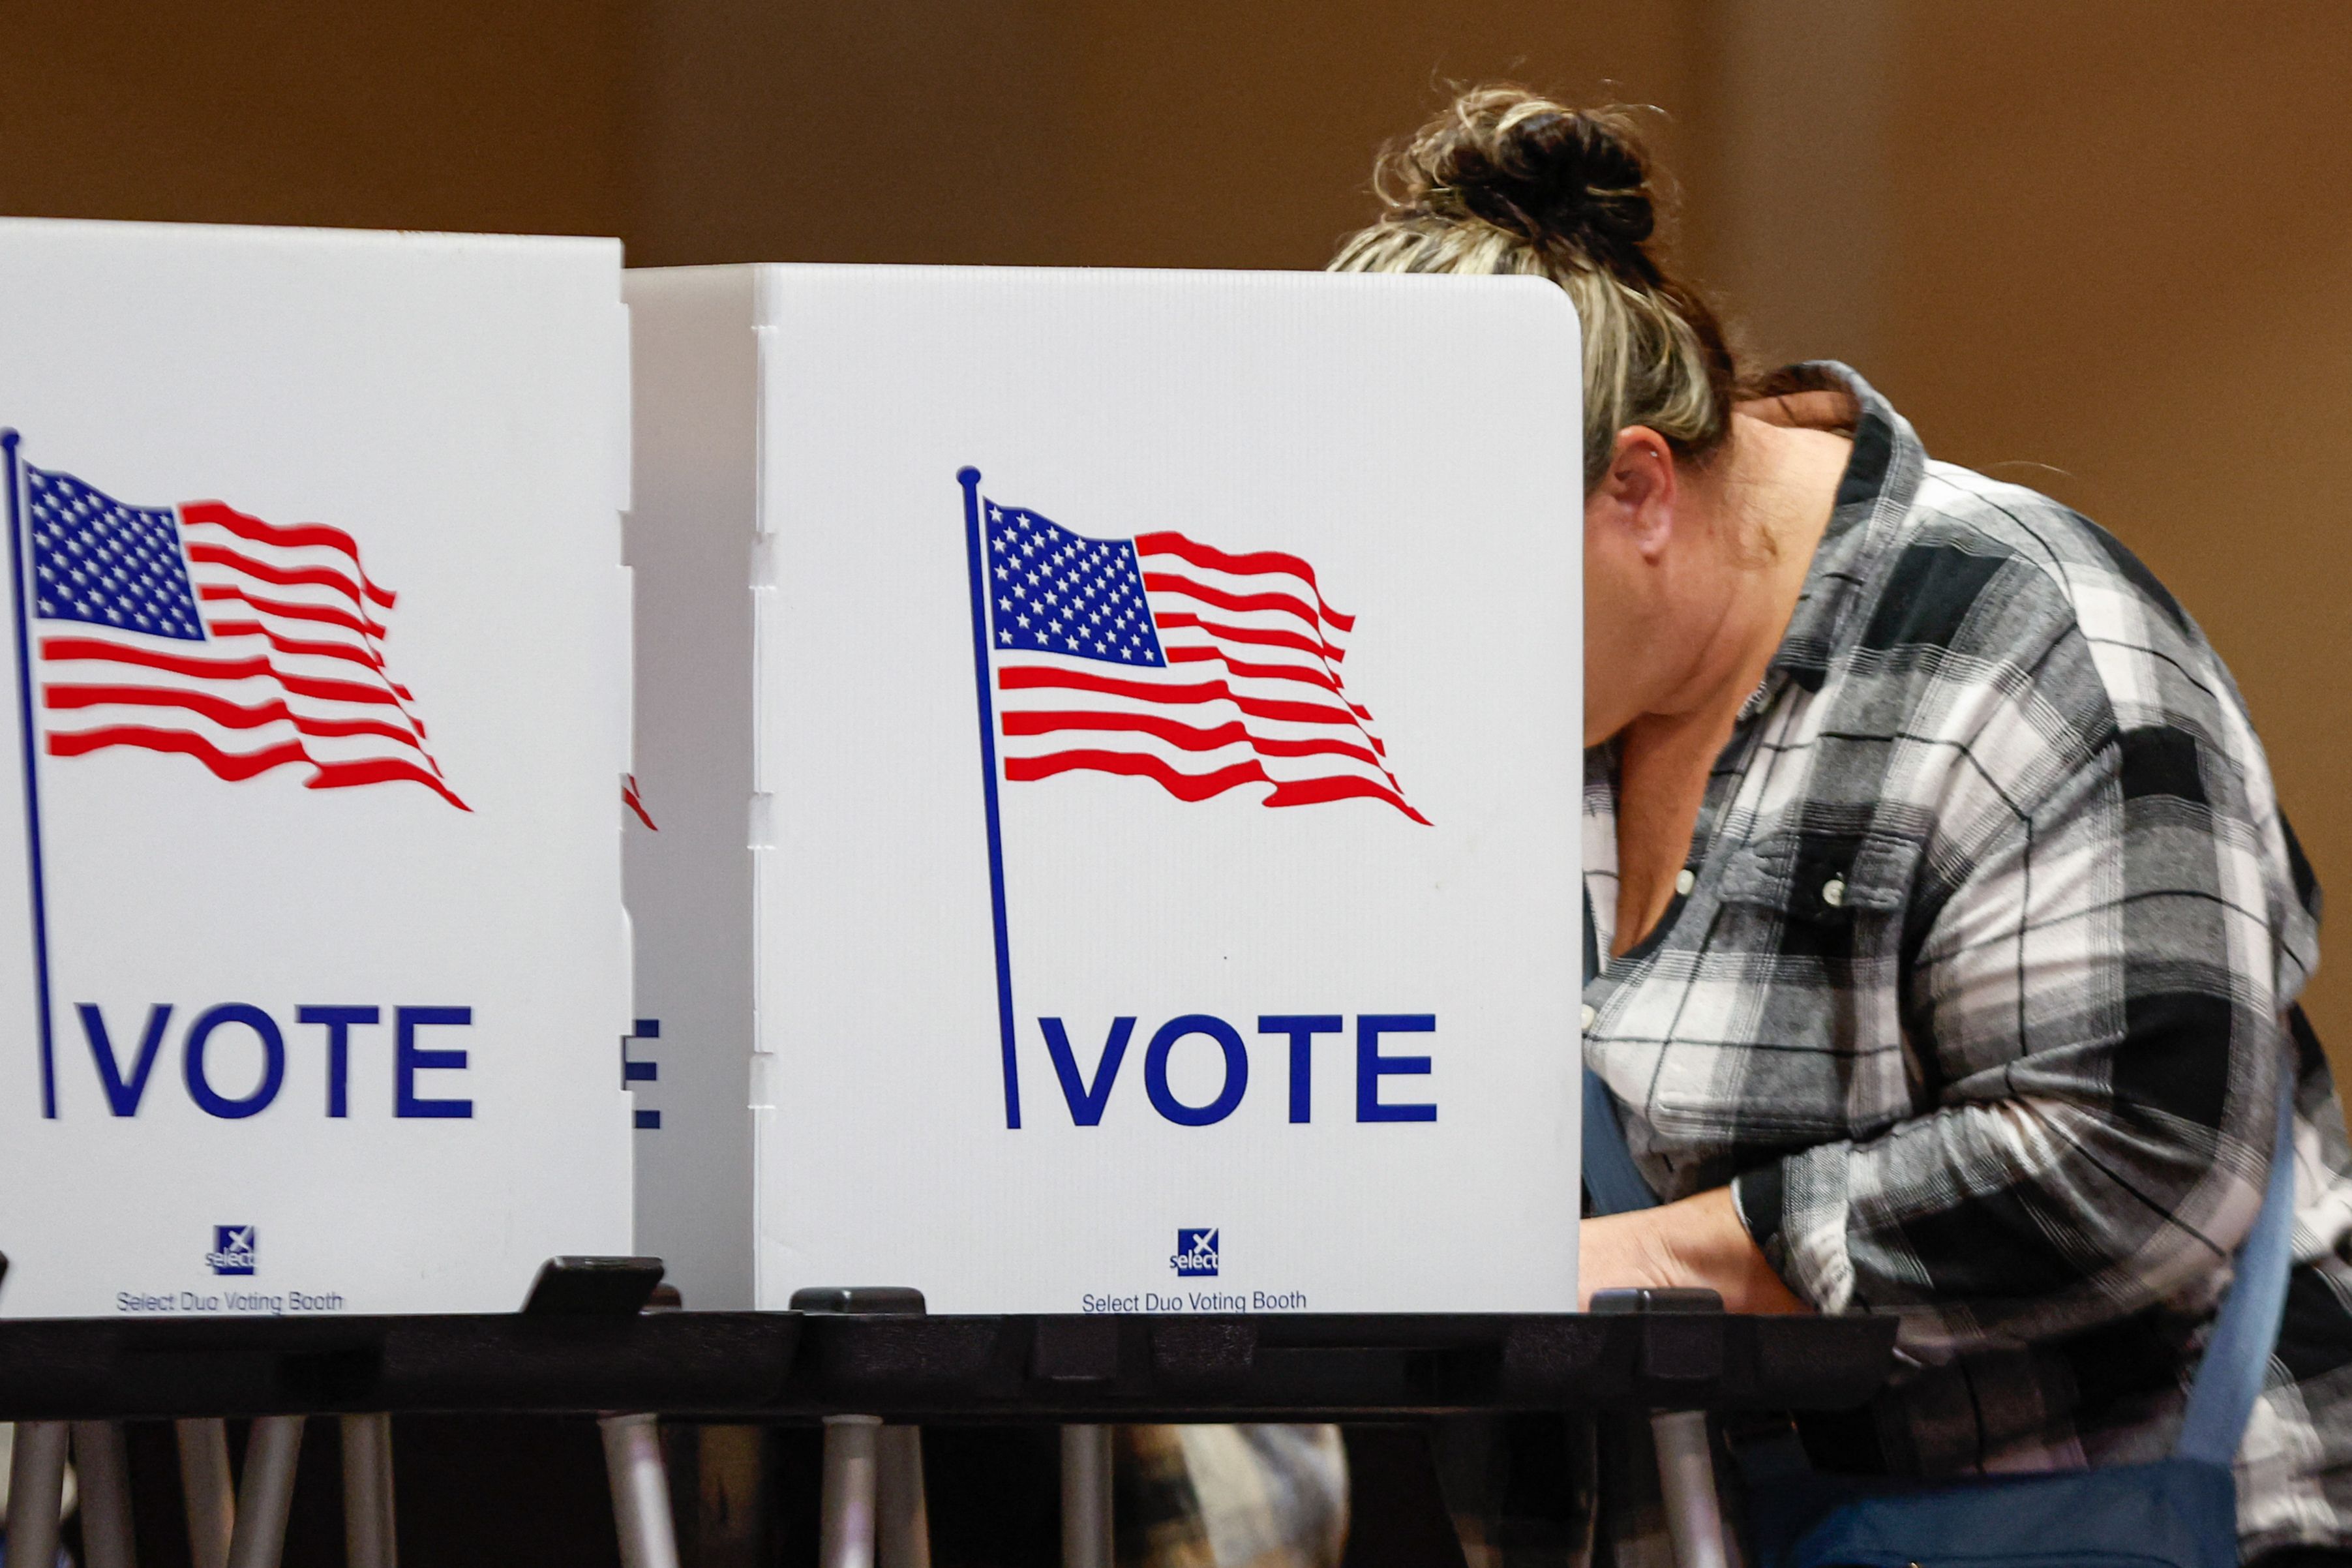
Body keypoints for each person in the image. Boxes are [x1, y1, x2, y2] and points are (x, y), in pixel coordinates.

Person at [1313, 84, 2348, 1568]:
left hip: (2120, 1505)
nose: (1424, 653)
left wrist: (1652, 1257)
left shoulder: (2027, 641)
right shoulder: (1540, 712)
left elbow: (2142, 1156)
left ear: (1637, 488)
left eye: (1461, 586)